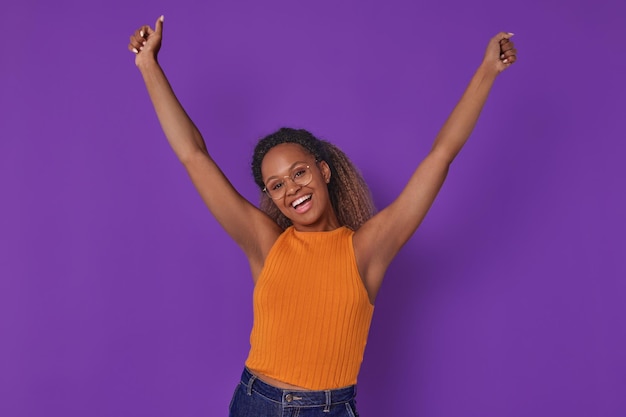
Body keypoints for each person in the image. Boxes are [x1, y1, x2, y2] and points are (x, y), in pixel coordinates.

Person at [128, 15, 517, 417]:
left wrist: (487, 71)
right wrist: (148, 66)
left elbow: (441, 156)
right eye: (276, 185)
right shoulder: (265, 243)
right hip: (254, 403)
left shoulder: (367, 248)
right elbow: (194, 156)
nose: (291, 189)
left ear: (323, 171)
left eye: (299, 173)